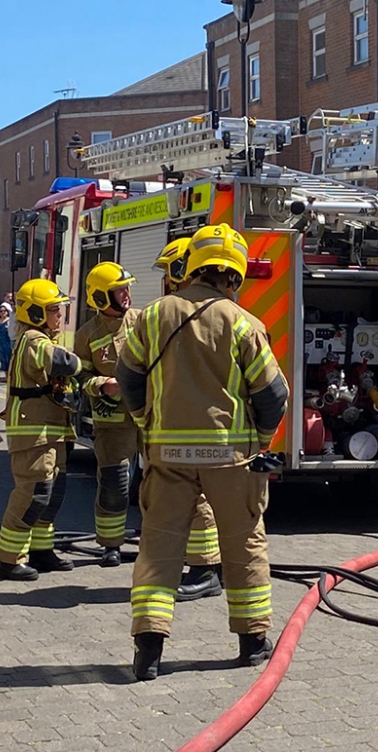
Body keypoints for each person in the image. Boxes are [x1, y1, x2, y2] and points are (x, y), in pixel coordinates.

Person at [117, 224, 288, 681]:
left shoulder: (151, 317)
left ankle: (148, 652)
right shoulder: (244, 323)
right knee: (244, 543)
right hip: (232, 461)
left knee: (157, 549)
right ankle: (252, 643)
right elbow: (273, 395)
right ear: (234, 276)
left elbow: (129, 377)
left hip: (167, 458)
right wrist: (262, 442)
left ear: (191, 267)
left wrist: (144, 421)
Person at [0, 279, 81, 581]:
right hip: (34, 432)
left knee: (52, 494)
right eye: (54, 309)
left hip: (51, 430)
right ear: (35, 313)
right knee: (33, 494)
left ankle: (41, 552)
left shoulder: (43, 337)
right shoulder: (34, 339)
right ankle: (9, 560)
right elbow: (65, 362)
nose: (60, 315)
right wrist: (85, 365)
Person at [152, 239, 224, 602]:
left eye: (168, 273)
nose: (165, 283)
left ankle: (205, 569)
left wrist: (143, 416)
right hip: (224, 435)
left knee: (197, 502)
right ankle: (215, 568)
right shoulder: (229, 315)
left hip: (187, 432)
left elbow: (134, 374)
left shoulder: (165, 316)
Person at [74, 262, 140, 568]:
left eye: (126, 288)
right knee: (114, 484)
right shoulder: (86, 334)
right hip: (112, 423)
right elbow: (80, 378)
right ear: (101, 298)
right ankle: (111, 545)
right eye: (118, 290)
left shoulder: (143, 321)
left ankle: (158, 542)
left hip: (150, 416)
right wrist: (102, 384)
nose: (126, 295)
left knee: (163, 482)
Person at [0, 307, 12, 383]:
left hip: (7, 342)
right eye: (1, 311)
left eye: (4, 311)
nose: (3, 312)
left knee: (9, 359)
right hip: (0, 343)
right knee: (3, 360)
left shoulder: (9, 321)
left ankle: (10, 377)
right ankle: (7, 376)